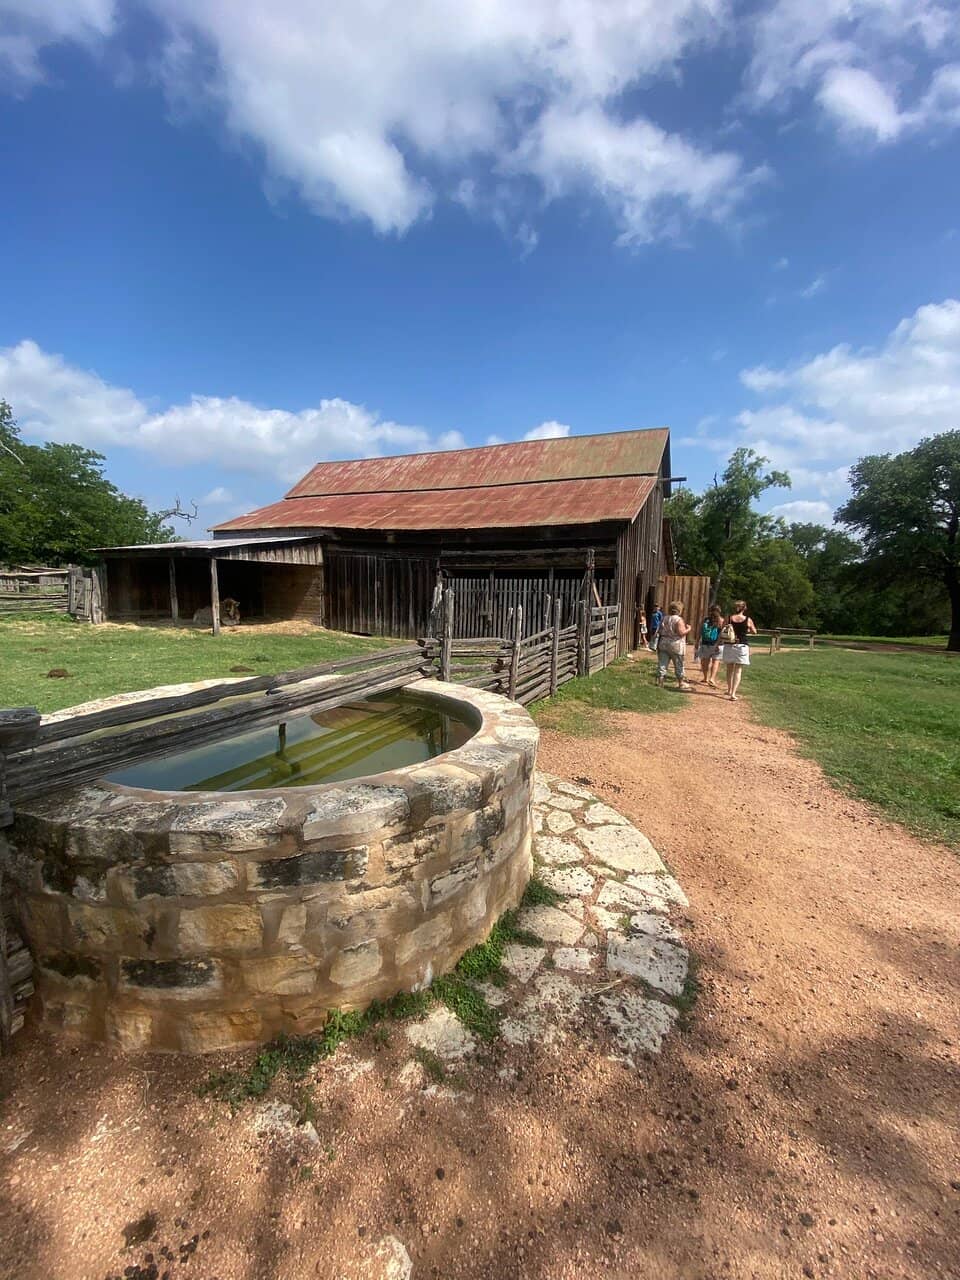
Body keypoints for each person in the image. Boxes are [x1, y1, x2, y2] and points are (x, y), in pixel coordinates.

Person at [721, 599, 757, 701]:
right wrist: (748, 630)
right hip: (742, 645)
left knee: (729, 669)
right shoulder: (747, 620)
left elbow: (722, 631)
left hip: (729, 645)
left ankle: (728, 689)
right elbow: (754, 631)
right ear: (744, 608)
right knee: (738, 670)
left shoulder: (728, 618)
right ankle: (733, 693)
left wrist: (718, 643)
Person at [656, 599, 692, 690]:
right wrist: (688, 629)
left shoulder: (665, 618)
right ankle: (681, 683)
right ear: (679, 610)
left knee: (662, 664)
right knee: (679, 664)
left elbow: (659, 630)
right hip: (676, 645)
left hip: (664, 643)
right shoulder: (678, 620)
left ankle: (660, 682)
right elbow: (681, 632)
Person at [697, 604, 724, 687]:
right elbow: (723, 634)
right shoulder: (721, 620)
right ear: (719, 611)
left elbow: (700, 631)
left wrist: (697, 641)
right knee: (715, 661)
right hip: (718, 644)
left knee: (705, 661)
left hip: (706, 643)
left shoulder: (705, 620)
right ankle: (712, 678)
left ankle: (705, 678)